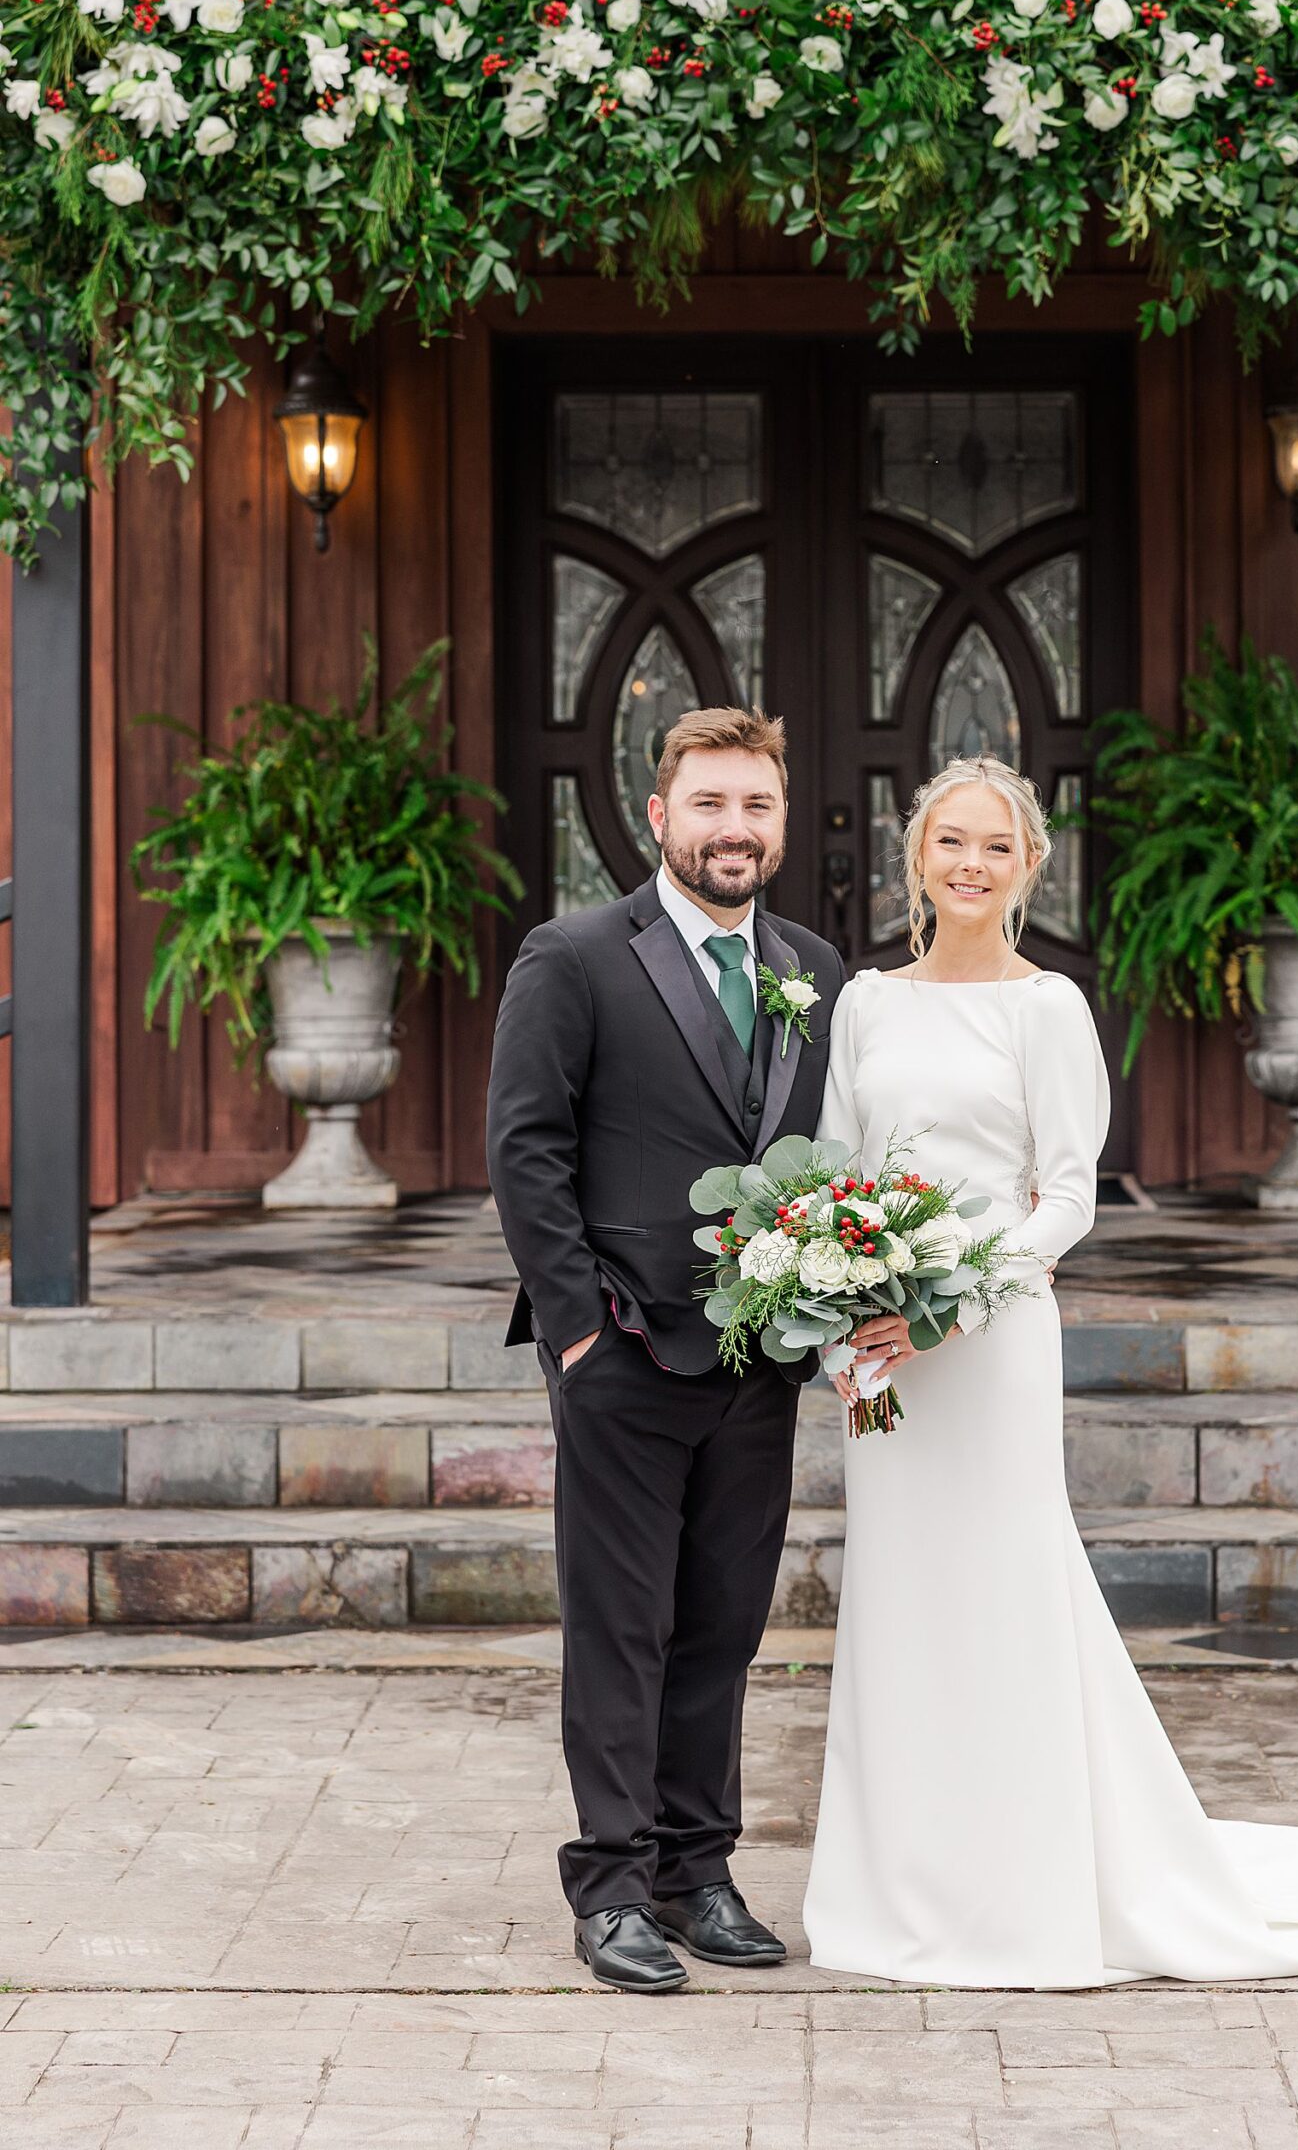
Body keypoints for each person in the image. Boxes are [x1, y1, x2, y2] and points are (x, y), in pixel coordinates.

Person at [802, 753, 1298, 1988]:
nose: (970, 865)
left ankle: (1029, 1882)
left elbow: (1065, 1197)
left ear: (1027, 869)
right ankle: (902, 1876)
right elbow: (837, 1172)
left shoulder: (1046, 1008)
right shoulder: (862, 1002)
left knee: (1008, 1584)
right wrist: (848, 1292)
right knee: (901, 1596)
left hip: (991, 1336)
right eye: (950, 842)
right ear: (917, 856)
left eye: (996, 848)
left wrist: (947, 1304)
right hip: (884, 1359)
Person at [487, 706, 844, 1994]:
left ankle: (702, 1871)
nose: (733, 829)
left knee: (724, 1629)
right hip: (626, 1351)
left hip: (762, 1362)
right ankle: (613, 1885)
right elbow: (525, 1146)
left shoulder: (816, 968)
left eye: (755, 805)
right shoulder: (573, 956)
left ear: (781, 819)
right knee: (621, 1624)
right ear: (659, 817)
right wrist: (578, 1326)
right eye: (710, 805)